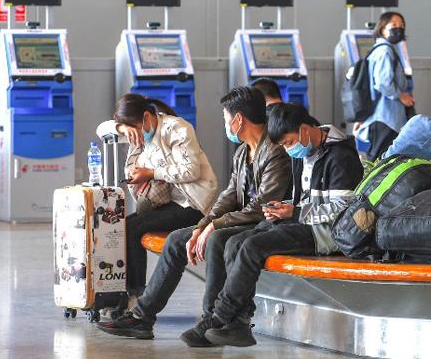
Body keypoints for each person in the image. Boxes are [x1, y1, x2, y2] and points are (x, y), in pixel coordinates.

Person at [98, 87, 292, 341]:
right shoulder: (243, 151)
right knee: (176, 240)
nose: (225, 124)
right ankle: (142, 317)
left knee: (216, 239)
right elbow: (230, 195)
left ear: (238, 120)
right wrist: (205, 223)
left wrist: (214, 226)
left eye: (225, 118)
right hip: (240, 219)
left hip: (263, 223)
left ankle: (211, 320)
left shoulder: (274, 151)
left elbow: (261, 206)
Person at [198, 103, 364, 348]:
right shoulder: (302, 153)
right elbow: (302, 200)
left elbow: (342, 209)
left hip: (326, 234)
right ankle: (238, 324)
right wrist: (283, 207)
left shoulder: (341, 157)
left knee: (253, 246)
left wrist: (295, 212)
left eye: (288, 142)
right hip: (301, 222)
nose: (288, 149)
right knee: (235, 241)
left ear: (305, 130)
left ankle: (220, 317)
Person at [111, 93, 219, 301]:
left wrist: (151, 173)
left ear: (146, 117)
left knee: (132, 229)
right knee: (120, 226)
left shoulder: (177, 129)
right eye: (130, 133)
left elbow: (191, 171)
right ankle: (128, 292)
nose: (135, 137)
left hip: (191, 204)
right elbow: (102, 130)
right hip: (169, 202)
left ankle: (136, 295)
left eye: (135, 130)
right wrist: (121, 128)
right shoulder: (139, 131)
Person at [356, 11, 414, 159]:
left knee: (380, 160)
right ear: (382, 29)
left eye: (402, 25)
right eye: (394, 24)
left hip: (379, 116)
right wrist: (401, 96)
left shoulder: (378, 50)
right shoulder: (385, 51)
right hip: (386, 118)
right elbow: (383, 83)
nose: (399, 28)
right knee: (383, 161)